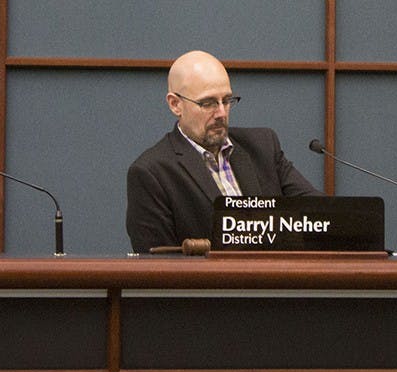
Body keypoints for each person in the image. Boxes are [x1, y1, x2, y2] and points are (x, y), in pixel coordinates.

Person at [126, 50, 322, 253]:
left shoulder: (263, 146)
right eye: (208, 103)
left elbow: (321, 217)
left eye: (226, 101)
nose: (221, 113)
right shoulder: (151, 173)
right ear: (176, 104)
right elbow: (158, 266)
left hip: (277, 281)